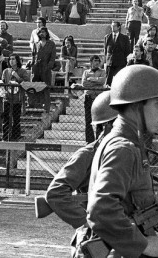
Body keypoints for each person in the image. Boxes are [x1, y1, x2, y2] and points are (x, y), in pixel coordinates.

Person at [85, 65, 158, 257]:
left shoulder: (130, 145)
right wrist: (142, 245)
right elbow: (100, 209)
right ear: (136, 106)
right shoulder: (123, 149)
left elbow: (131, 209)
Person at [45, 90, 118, 232]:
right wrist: (86, 223)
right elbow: (55, 193)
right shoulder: (87, 155)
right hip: (97, 237)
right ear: (107, 125)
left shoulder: (126, 154)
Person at [79, 55, 106, 143]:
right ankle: (89, 141)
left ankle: (99, 139)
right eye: (95, 60)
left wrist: (92, 79)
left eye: (98, 61)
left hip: (99, 98)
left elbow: (102, 81)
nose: (97, 62)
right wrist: (96, 83)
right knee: (88, 120)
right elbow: (84, 84)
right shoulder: (86, 72)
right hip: (89, 98)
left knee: (99, 120)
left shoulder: (102, 71)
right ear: (91, 62)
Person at [2, 53, 29, 141]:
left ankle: (16, 136)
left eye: (13, 59)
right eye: (10, 59)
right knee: (6, 119)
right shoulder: (6, 71)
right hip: (7, 98)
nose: (11, 61)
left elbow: (26, 83)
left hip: (17, 99)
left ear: (17, 60)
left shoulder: (22, 71)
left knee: (16, 119)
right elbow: (3, 83)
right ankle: (5, 137)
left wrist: (17, 77)